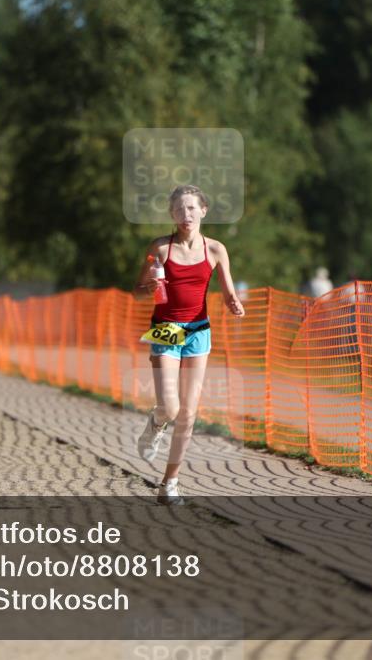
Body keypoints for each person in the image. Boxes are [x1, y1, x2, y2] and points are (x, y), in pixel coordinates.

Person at [132, 185, 245, 505]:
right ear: (172, 214)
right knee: (170, 407)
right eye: (180, 210)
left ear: (204, 211)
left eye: (192, 209)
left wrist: (235, 304)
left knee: (189, 413)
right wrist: (149, 286)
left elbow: (229, 293)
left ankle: (170, 483)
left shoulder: (216, 250)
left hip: (198, 332)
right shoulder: (160, 249)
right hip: (166, 329)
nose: (186, 215)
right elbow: (137, 292)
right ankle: (155, 424)